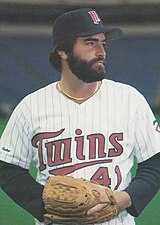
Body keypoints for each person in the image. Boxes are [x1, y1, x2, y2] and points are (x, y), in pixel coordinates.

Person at [0, 7, 160, 225]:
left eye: (103, 43)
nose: (101, 51)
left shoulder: (130, 99)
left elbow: (155, 162)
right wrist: (42, 204)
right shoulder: (31, 107)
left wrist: (124, 199)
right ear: (63, 51)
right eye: (90, 43)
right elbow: (7, 167)